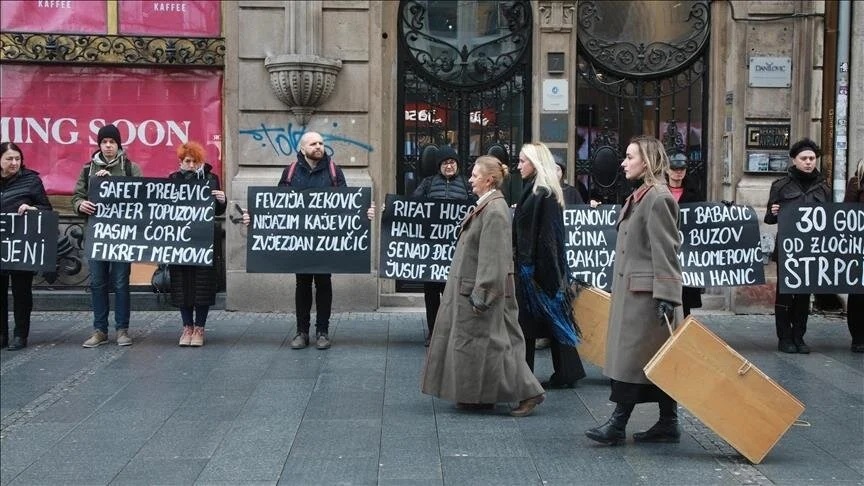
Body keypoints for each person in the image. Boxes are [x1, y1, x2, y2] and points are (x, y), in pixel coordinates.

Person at [421, 155, 545, 416]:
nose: (470, 180)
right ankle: (480, 396)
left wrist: (484, 293)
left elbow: (494, 257)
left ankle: (529, 392)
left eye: (475, 175)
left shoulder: (495, 210)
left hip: (481, 292)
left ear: (489, 180)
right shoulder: (487, 205)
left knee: (496, 345)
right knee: (482, 346)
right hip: (472, 289)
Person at [585, 135, 683, 446]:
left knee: (633, 362)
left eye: (630, 157)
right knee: (654, 363)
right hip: (635, 295)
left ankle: (617, 424)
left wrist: (668, 295)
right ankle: (668, 422)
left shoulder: (657, 197)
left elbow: (667, 250)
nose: (624, 162)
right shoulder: (642, 195)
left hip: (647, 299)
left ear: (647, 161)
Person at [513, 142, 586, 389]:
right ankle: (567, 372)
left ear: (535, 163)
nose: (518, 165)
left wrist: (547, 276)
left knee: (529, 326)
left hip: (536, 272)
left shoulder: (541, 193)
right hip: (537, 270)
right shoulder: (536, 191)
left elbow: (548, 238)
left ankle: (526, 379)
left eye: (523, 161)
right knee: (549, 322)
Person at [72, 124, 142, 348]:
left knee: (121, 283)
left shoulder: (131, 168)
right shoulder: (87, 169)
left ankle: (122, 329)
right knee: (98, 283)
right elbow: (77, 196)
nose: (108, 146)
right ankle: (99, 330)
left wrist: (111, 181)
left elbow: (141, 198)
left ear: (118, 144)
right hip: (97, 236)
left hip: (121, 236)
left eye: (112, 142)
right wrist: (80, 204)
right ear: (99, 145)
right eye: (104, 142)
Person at [764, 138, 831, 354]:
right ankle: (784, 337)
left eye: (812, 158)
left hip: (811, 250)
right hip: (787, 249)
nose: (809, 162)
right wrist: (773, 213)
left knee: (803, 295)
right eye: (804, 158)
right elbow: (769, 218)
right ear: (794, 160)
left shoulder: (824, 187)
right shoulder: (780, 186)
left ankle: (799, 336)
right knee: (785, 294)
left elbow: (830, 219)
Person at [412, 146, 475, 346]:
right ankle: (434, 332)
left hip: (457, 249)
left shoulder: (466, 184)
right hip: (432, 251)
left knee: (455, 294)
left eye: (452, 162)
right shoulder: (428, 184)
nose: (449, 166)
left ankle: (454, 332)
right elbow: (412, 207)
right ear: (439, 166)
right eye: (445, 163)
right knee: (431, 294)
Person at [168, 142, 227, 347]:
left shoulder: (211, 179)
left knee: (202, 284)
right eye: (187, 161)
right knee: (182, 284)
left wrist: (222, 200)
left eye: (195, 161)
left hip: (203, 239)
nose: (191, 165)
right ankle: (187, 327)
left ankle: (199, 327)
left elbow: (217, 212)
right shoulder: (173, 180)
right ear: (181, 162)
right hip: (180, 240)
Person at [1, 142, 52, 350]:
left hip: (22, 245)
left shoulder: (31, 180)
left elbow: (46, 208)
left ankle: (20, 334)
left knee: (22, 292)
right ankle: (2, 334)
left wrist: (32, 208)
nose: (14, 163)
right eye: (9, 159)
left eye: (17, 159)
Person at [665, 152, 703, 317]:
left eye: (682, 168)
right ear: (667, 170)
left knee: (685, 297)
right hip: (665, 247)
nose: (678, 172)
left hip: (686, 251)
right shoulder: (658, 190)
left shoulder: (695, 192)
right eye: (675, 168)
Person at [844, 158, 863, 353]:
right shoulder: (856, 183)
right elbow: (846, 214)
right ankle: (858, 337)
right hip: (859, 247)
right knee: (858, 294)